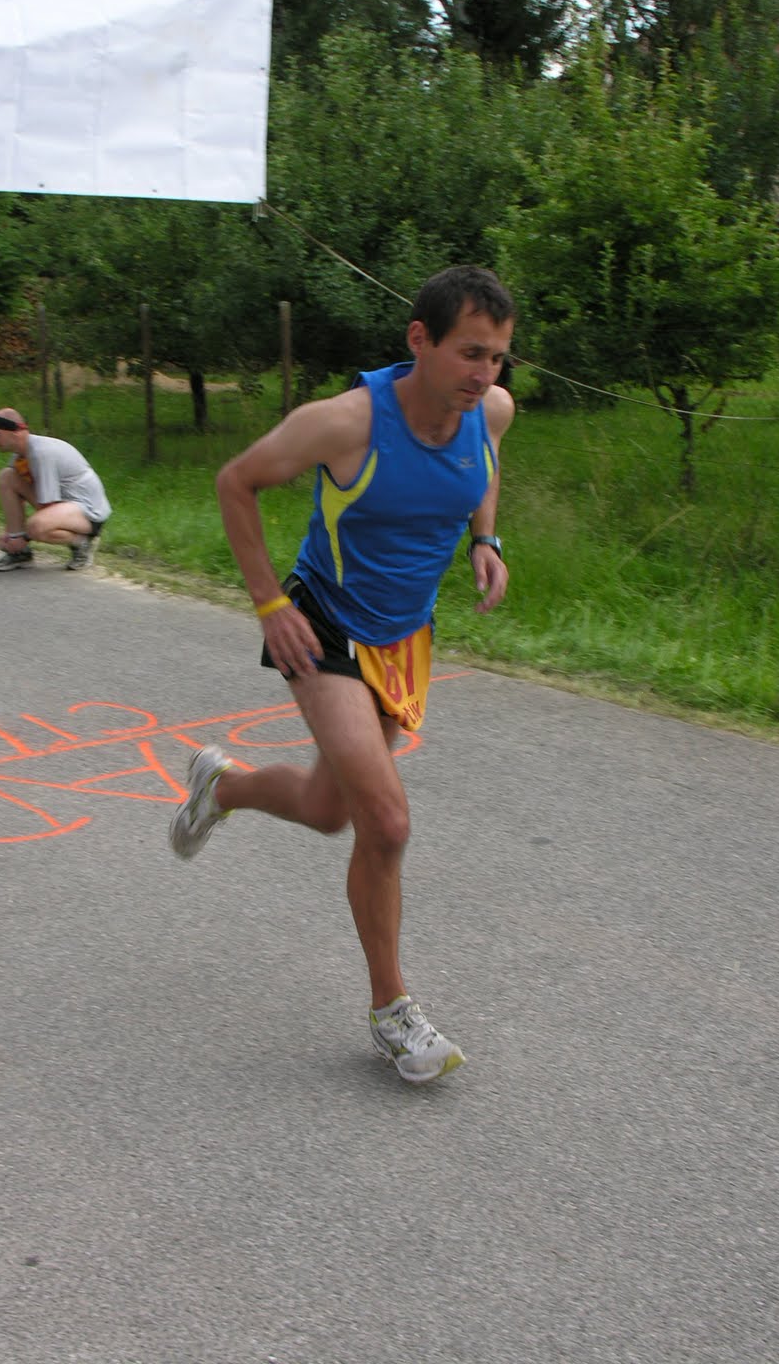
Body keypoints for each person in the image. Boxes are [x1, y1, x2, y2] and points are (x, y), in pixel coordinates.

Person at [168, 265, 516, 1084]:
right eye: (470, 353)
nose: (484, 374)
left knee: (330, 812)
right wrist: (268, 604)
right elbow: (236, 482)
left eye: (497, 356)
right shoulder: (347, 422)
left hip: (403, 638)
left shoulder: (491, 410)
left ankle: (222, 787)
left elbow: (486, 464)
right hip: (322, 626)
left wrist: (486, 540)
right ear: (419, 340)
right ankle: (393, 1012)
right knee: (385, 823)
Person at [0, 408, 111, 571]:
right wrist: (11, 535)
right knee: (6, 477)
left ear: (15, 432)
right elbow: (19, 495)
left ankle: (82, 544)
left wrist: (24, 537)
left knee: (36, 526)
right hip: (64, 506)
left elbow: (47, 506)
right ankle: (19, 555)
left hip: (89, 512)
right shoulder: (21, 453)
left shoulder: (41, 453)